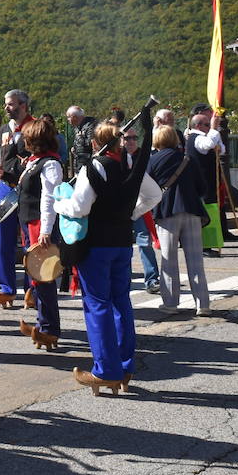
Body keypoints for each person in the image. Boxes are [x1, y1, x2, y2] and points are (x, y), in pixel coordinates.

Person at [53, 115, 152, 395]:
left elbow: (80, 208)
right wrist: (130, 214)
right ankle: (124, 365)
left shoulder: (93, 167)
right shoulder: (130, 164)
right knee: (121, 303)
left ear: (96, 142)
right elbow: (154, 195)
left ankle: (106, 371)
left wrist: (60, 205)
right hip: (122, 243)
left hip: (96, 246)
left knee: (97, 305)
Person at [146, 126, 211, 315]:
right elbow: (202, 188)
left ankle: (171, 303)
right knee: (195, 260)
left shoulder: (153, 160)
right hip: (191, 211)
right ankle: (203, 304)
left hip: (166, 213)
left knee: (169, 261)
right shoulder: (187, 159)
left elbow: (147, 190)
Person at [16, 119, 63, 348]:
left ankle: (49, 329)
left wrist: (45, 230)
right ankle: (44, 324)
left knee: (44, 277)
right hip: (30, 223)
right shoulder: (36, 162)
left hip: (38, 225)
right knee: (37, 276)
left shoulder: (50, 164)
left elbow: (49, 198)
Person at [0, 89, 33, 306]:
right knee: (4, 242)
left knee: (30, 241)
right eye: (6, 104)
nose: (7, 107)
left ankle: (32, 290)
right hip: (5, 189)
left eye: (10, 104)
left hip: (28, 191)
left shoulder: (35, 127)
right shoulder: (4, 130)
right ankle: (7, 288)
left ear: (23, 105)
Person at [184, 111, 227, 257]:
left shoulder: (203, 136)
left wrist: (215, 136)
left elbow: (220, 149)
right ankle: (204, 247)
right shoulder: (196, 138)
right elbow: (207, 145)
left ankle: (209, 244)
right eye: (207, 124)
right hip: (202, 183)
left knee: (211, 212)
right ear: (198, 125)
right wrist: (214, 129)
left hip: (209, 182)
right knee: (205, 214)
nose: (209, 127)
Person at [122, 129, 160, 294]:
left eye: (134, 138)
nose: (131, 141)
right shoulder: (116, 157)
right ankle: (124, 279)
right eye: (127, 138)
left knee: (144, 242)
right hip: (121, 209)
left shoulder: (143, 157)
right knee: (122, 246)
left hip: (139, 207)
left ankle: (152, 280)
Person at [66, 106, 97, 177]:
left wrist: (80, 138)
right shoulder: (77, 127)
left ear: (74, 117)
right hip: (78, 163)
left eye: (68, 117)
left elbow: (90, 144)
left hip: (88, 165)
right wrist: (75, 148)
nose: (68, 119)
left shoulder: (91, 125)